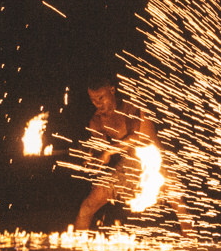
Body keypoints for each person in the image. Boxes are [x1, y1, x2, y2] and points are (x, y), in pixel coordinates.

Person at [74, 73, 190, 231]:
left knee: (178, 203)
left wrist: (108, 152)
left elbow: (140, 137)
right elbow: (104, 156)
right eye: (93, 99)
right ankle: (78, 246)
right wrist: (92, 156)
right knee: (87, 206)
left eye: (101, 98)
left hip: (156, 160)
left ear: (112, 90)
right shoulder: (97, 121)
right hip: (128, 166)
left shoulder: (133, 107)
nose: (97, 104)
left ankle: (192, 243)